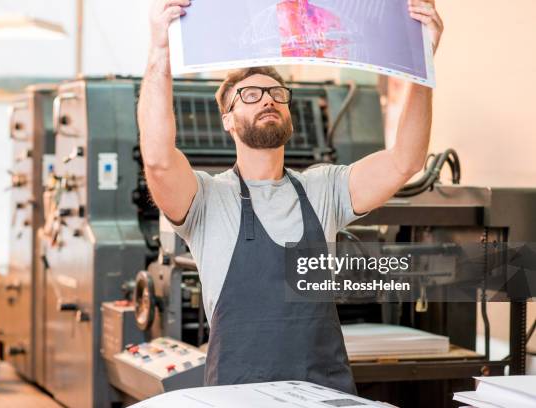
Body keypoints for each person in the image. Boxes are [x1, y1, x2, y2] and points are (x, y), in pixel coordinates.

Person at [138, 0, 443, 394]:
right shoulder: (208, 200)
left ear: (289, 113)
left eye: (276, 93)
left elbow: (406, 160)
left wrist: (422, 61)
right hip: (239, 396)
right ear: (227, 120)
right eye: (250, 95)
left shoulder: (324, 189)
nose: (267, 99)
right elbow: (159, 161)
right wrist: (160, 49)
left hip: (324, 393)